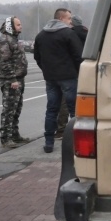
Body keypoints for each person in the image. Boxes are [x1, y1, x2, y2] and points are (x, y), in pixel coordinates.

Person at [34, 8, 83, 153]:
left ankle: (49, 142)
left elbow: (37, 56)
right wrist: (77, 72)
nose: (70, 21)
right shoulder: (69, 34)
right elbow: (78, 55)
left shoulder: (41, 35)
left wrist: (46, 70)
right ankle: (75, 143)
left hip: (51, 78)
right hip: (68, 77)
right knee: (74, 111)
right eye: (69, 18)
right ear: (61, 18)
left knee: (51, 110)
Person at [0, 16, 30, 148]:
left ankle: (15, 135)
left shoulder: (14, 39)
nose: (21, 27)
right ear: (11, 26)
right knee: (9, 109)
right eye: (18, 25)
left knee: (16, 108)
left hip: (18, 79)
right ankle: (6, 138)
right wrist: (12, 79)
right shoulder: (5, 40)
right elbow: (4, 62)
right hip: (11, 80)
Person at [55, 14, 88, 138]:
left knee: (64, 101)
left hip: (70, 71)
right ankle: (80, 127)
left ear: (72, 23)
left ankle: (62, 129)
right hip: (85, 70)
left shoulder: (69, 34)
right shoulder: (88, 33)